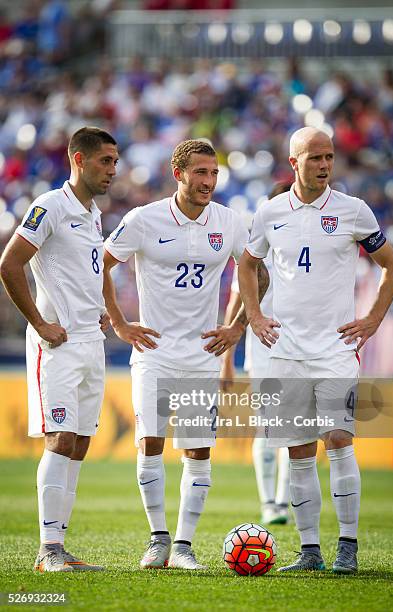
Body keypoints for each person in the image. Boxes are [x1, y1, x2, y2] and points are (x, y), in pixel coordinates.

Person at [238, 127, 393, 574]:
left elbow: (392, 266)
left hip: (335, 350)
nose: (325, 165)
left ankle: (347, 546)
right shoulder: (270, 212)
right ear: (293, 163)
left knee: (339, 441)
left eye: (329, 156)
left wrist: (372, 321)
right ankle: (309, 550)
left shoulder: (353, 211)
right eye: (314, 158)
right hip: (287, 351)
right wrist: (253, 315)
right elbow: (248, 264)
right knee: (297, 450)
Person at [103, 139, 269, 570]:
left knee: (198, 452)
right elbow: (98, 263)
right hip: (153, 352)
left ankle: (182, 547)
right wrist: (120, 323)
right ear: (179, 173)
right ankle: (158, 539)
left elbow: (255, 270)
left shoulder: (229, 221)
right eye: (200, 172)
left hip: (200, 356)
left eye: (213, 173)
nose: (208, 181)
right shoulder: (144, 219)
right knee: (150, 444)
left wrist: (237, 326)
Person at [0, 127, 119, 572]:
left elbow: (86, 270)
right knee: (61, 436)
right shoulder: (49, 205)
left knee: (81, 442)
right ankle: (47, 551)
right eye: (104, 161)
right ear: (78, 159)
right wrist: (39, 323)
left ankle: (60, 547)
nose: (112, 170)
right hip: (58, 344)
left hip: (91, 339)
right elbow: (9, 264)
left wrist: (102, 312)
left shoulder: (92, 213)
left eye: (115, 162)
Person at [221, 183, 292, 526]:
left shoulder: (308, 252)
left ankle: (284, 500)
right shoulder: (253, 258)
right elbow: (234, 309)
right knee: (268, 427)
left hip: (300, 349)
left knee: (296, 427)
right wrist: (226, 362)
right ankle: (270, 503)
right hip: (262, 350)